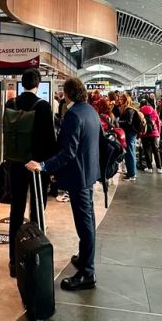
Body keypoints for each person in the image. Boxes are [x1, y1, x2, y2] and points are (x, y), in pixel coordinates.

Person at [26, 77, 100, 291]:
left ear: (67, 94)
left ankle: (88, 273)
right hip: (89, 173)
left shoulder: (74, 115)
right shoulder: (90, 111)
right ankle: (84, 257)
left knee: (84, 224)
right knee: (88, 219)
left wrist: (44, 166)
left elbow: (68, 151)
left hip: (79, 177)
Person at [5, 69, 57, 278]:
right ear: (38, 84)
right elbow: (50, 141)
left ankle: (14, 261)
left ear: (21, 83)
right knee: (37, 209)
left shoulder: (10, 105)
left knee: (16, 210)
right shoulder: (43, 106)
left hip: (15, 163)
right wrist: (50, 167)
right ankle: (34, 256)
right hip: (36, 166)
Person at [118, 93, 139, 181]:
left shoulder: (129, 110)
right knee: (128, 153)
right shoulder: (127, 109)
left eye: (121, 99)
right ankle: (130, 172)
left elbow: (128, 122)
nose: (120, 101)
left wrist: (119, 122)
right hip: (129, 133)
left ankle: (132, 174)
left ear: (126, 100)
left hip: (130, 134)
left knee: (130, 153)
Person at [139, 99, 162, 173]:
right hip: (154, 134)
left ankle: (149, 168)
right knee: (156, 151)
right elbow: (158, 123)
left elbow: (138, 124)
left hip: (144, 134)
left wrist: (139, 134)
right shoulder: (153, 110)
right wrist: (158, 133)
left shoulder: (140, 112)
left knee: (147, 151)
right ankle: (159, 168)